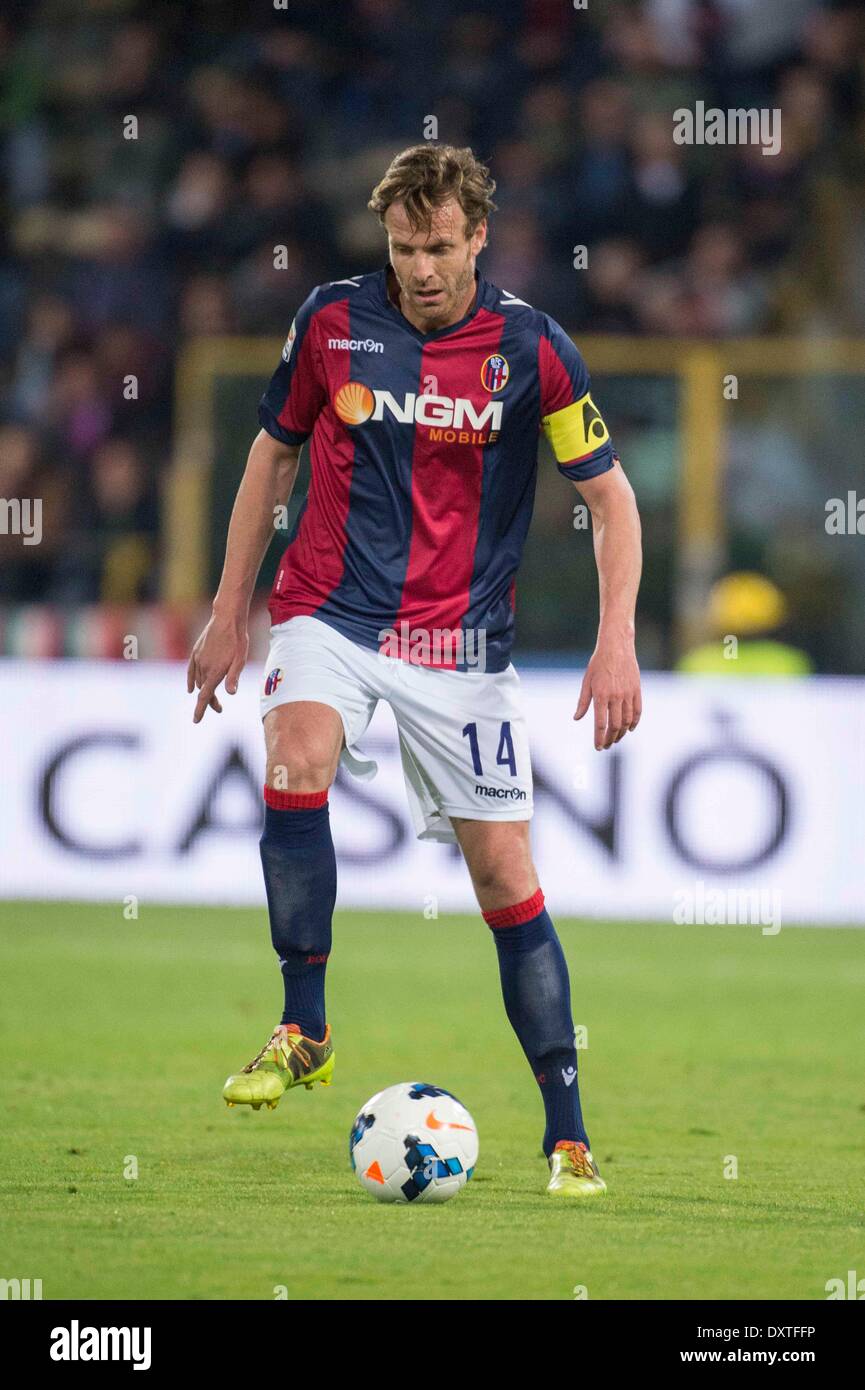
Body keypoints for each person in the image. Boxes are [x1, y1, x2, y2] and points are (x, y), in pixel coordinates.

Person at [187, 144, 643, 1198]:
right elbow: (273, 453)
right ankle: (305, 1024)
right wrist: (228, 610)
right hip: (329, 612)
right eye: (402, 248)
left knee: (504, 877)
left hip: (461, 650)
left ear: (479, 237)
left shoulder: (533, 349)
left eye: (439, 247)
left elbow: (610, 498)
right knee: (294, 755)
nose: (421, 269)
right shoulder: (332, 322)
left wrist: (615, 637)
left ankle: (567, 1136)